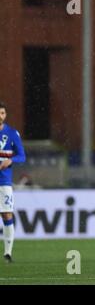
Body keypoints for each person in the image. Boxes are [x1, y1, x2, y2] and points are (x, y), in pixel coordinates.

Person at [0, 102, 26, 263]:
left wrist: (10, 160)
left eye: (2, 113)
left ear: (5, 115)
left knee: (6, 214)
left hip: (4, 182)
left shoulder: (12, 133)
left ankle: (8, 253)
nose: (0, 116)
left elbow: (22, 156)